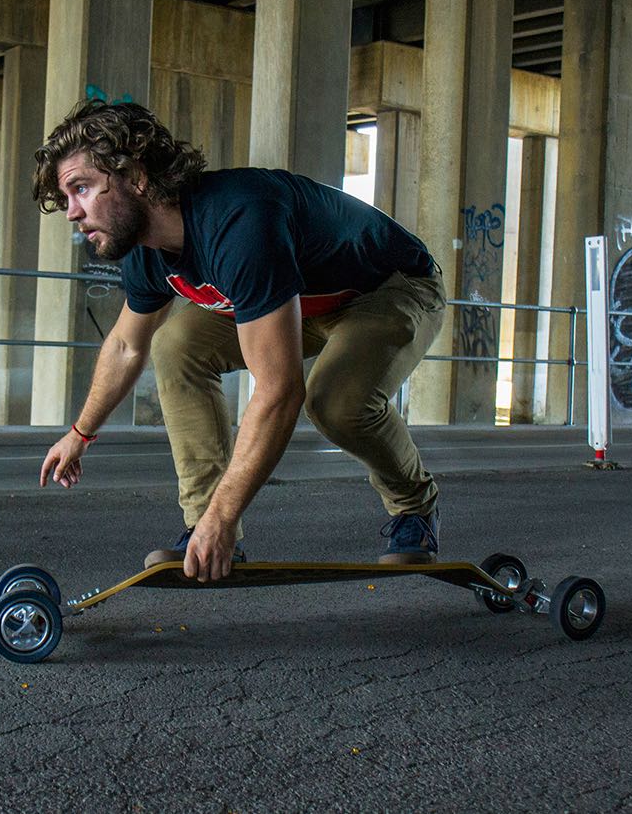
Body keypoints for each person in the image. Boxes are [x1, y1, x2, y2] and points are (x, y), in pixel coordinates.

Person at [35, 100, 446, 583]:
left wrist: (225, 517)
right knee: (177, 345)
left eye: (81, 188)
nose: (72, 212)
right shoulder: (146, 252)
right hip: (301, 302)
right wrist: (80, 433)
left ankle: (415, 507)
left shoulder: (239, 221)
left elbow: (278, 390)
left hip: (388, 288)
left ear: (137, 176)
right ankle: (203, 526)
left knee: (335, 400)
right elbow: (126, 346)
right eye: (66, 197)